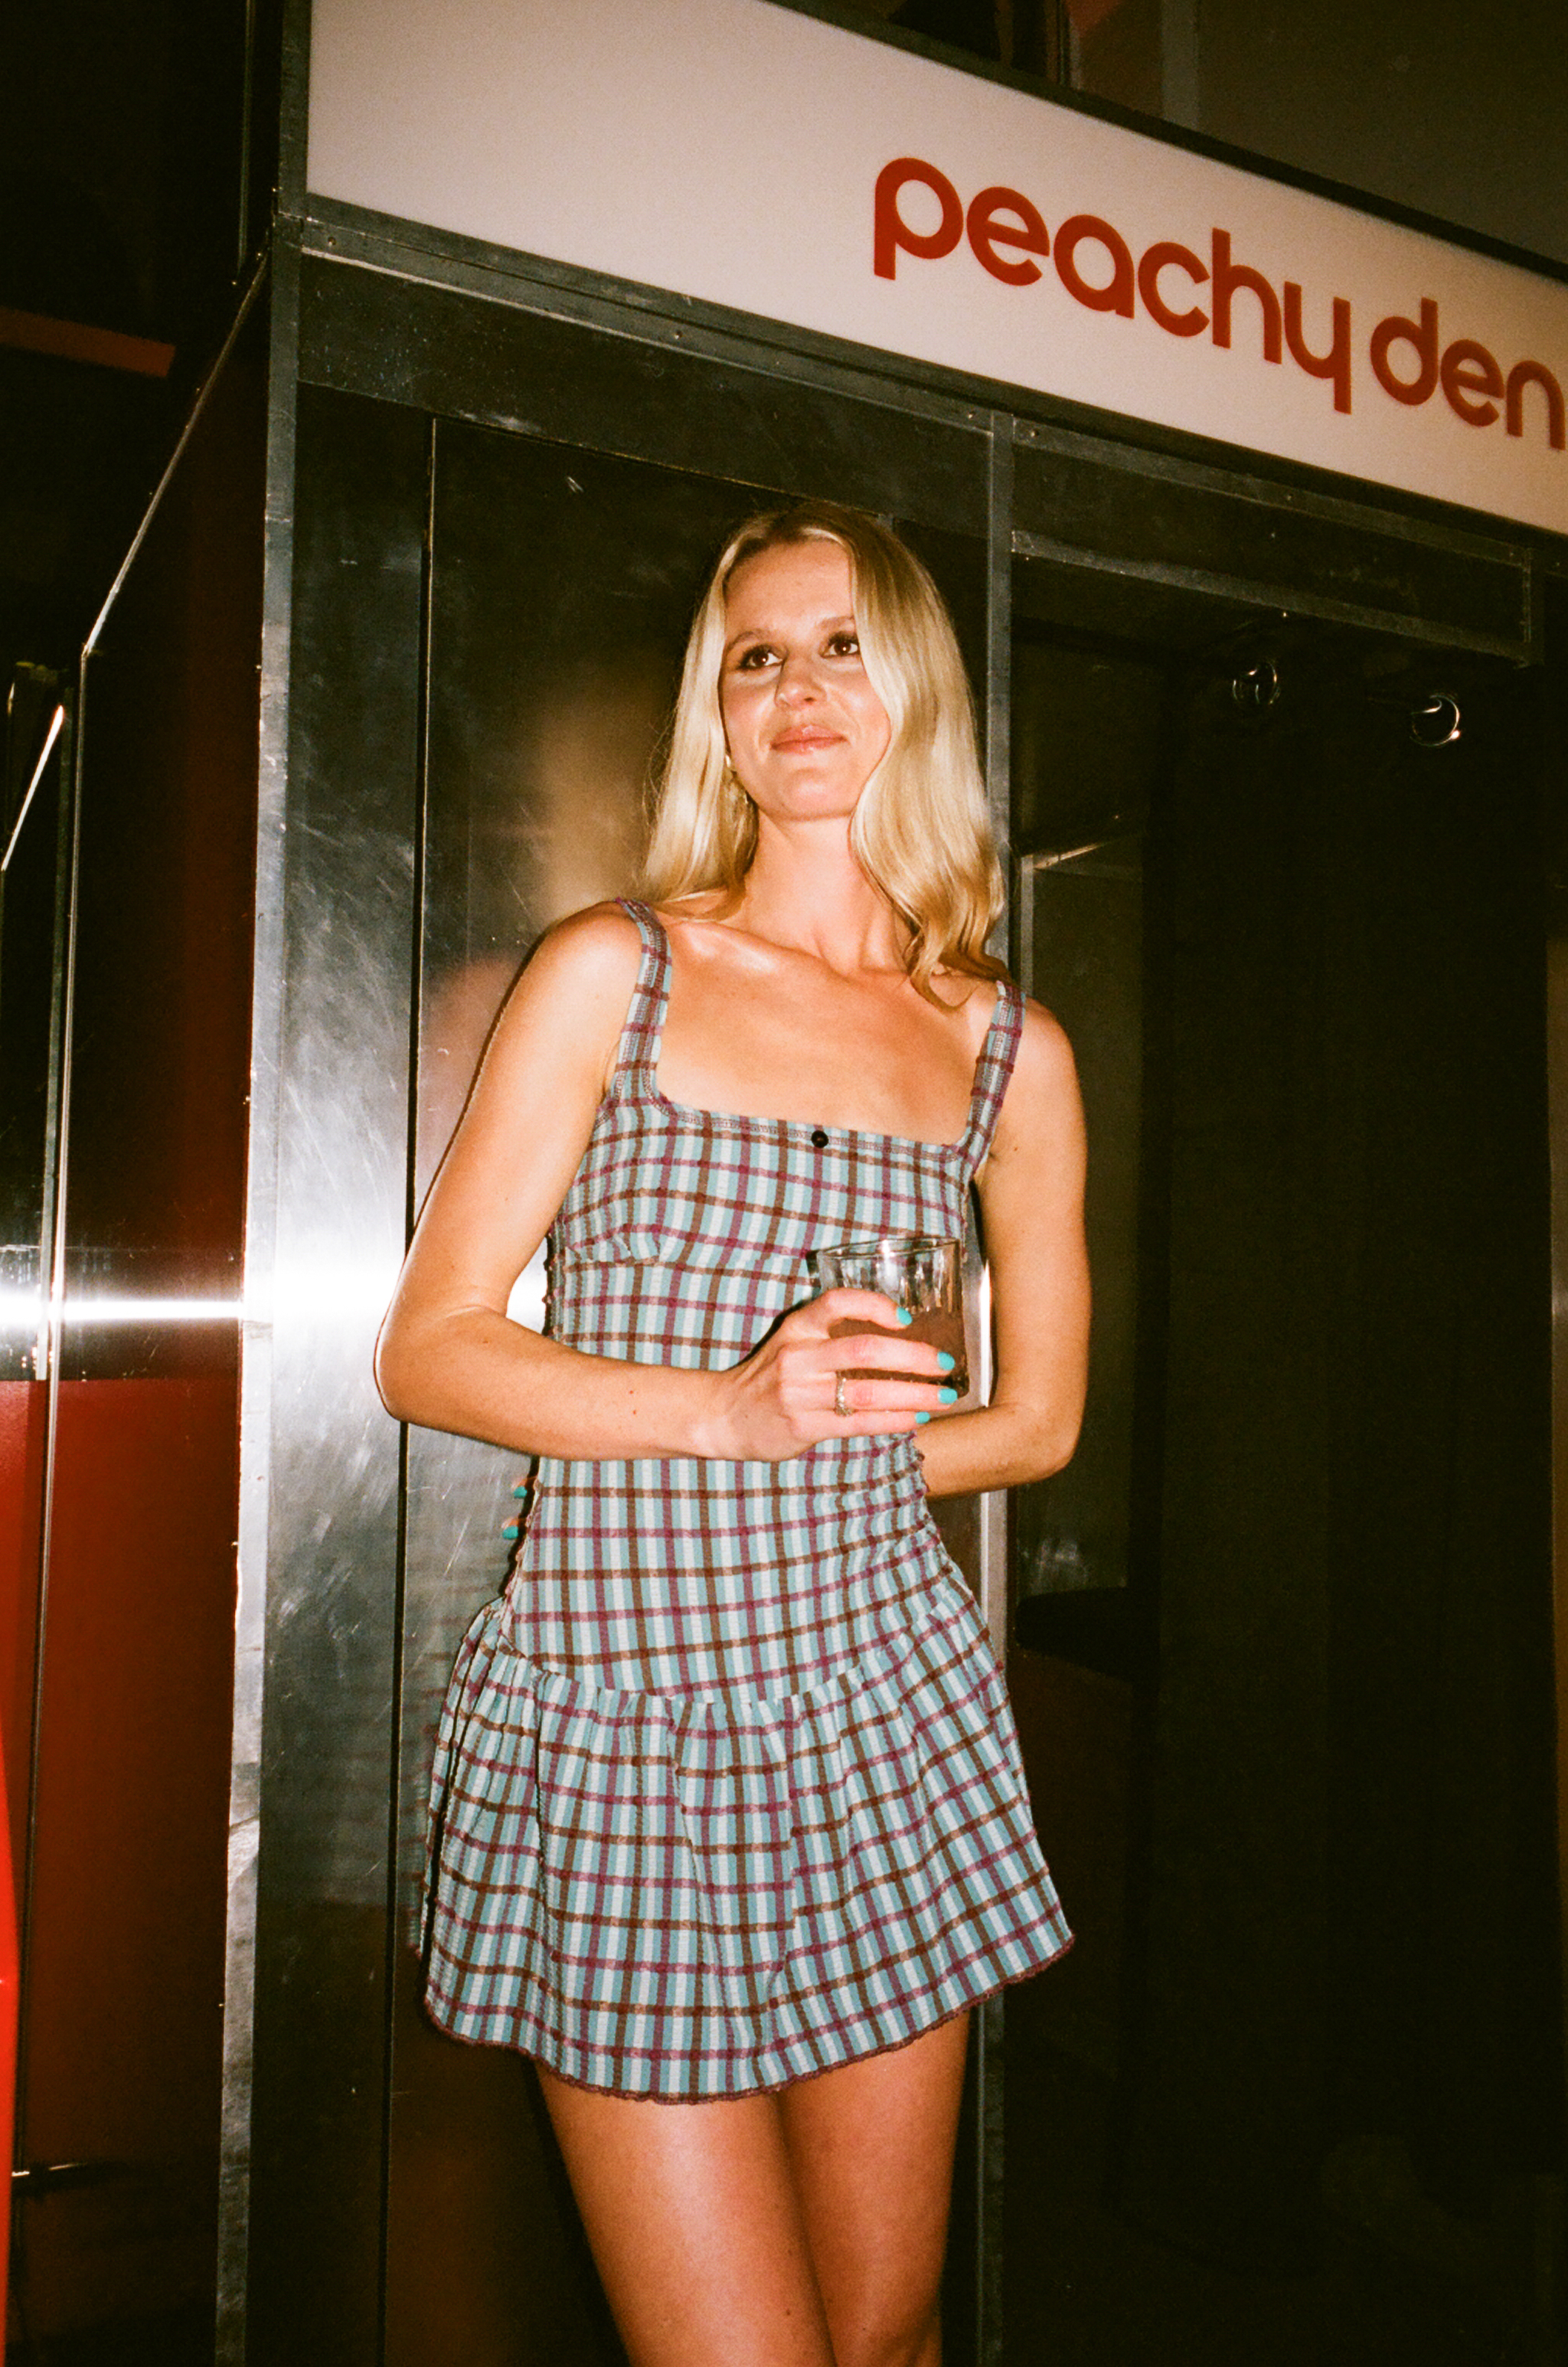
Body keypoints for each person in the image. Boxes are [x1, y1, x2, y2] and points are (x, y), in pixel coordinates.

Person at [375, 499, 1090, 2367]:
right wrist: (728, 1414)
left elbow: (1035, 1423)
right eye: (756, 656)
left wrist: (827, 1455)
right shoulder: (615, 970)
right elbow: (430, 1351)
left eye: (842, 644)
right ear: (717, 708)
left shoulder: (1005, 1048)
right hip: (629, 1716)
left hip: (878, 1708)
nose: (799, 689)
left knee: (888, 2331)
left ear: (916, 685)